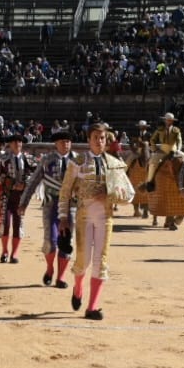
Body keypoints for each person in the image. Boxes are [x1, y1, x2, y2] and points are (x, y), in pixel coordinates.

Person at [58, 123, 126, 320]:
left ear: (106, 140)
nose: (99, 141)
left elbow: (128, 195)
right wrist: (63, 218)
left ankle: (92, 307)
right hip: (84, 216)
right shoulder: (78, 162)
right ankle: (78, 288)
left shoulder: (114, 164)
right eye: (95, 137)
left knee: (101, 261)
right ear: (89, 140)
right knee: (83, 260)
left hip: (106, 217)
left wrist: (111, 194)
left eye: (102, 138)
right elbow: (65, 192)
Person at [19, 129, 78, 287]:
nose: (65, 144)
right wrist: (23, 203)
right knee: (50, 241)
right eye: (62, 142)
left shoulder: (78, 161)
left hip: (71, 206)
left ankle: (61, 277)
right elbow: (33, 182)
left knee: (66, 242)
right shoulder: (47, 160)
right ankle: (50, 268)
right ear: (56, 144)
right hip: (51, 205)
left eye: (68, 141)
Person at [0, 134, 38, 263]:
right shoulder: (2, 158)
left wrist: (25, 183)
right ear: (10, 145)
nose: (17, 144)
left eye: (19, 142)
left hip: (21, 198)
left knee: (18, 224)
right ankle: (5, 251)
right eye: (14, 142)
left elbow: (36, 175)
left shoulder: (29, 158)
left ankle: (14, 254)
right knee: (5, 224)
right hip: (7, 195)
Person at [142, 112, 184, 191]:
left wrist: (178, 149)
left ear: (172, 121)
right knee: (152, 162)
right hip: (163, 150)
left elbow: (179, 141)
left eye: (170, 120)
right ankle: (149, 182)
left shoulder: (176, 130)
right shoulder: (160, 129)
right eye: (167, 120)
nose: (168, 122)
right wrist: (154, 149)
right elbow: (152, 139)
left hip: (173, 149)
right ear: (165, 121)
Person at [125, 129, 151, 219]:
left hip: (146, 153)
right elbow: (131, 145)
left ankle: (145, 210)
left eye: (143, 126)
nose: (142, 127)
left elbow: (151, 143)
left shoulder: (148, 134)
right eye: (141, 126)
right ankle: (124, 174)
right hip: (136, 154)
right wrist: (135, 150)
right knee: (128, 162)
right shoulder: (135, 137)